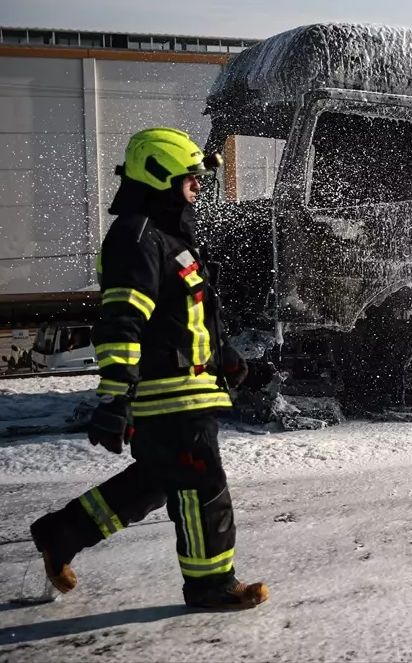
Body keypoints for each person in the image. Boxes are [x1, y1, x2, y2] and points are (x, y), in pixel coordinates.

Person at [29, 127, 268, 610]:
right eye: (190, 178)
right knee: (202, 484)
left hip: (188, 388)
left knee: (160, 479)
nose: (199, 187)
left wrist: (225, 358)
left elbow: (189, 314)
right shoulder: (137, 237)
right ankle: (210, 586)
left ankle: (61, 532)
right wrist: (114, 396)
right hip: (167, 395)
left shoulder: (167, 237)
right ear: (160, 177)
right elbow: (122, 323)